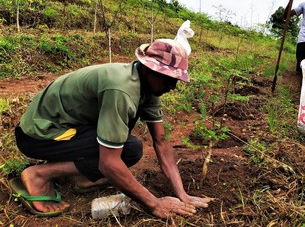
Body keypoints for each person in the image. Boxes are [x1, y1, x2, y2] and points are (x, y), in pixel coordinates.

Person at [10, 38, 211, 218]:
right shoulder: (121, 89)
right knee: (127, 150)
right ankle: (40, 174)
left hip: (69, 126)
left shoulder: (148, 87)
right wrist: (155, 204)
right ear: (149, 69)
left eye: (175, 79)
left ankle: (83, 178)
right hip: (38, 134)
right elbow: (109, 163)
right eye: (169, 78)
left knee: (129, 148)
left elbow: (161, 141)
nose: (173, 86)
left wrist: (182, 194)